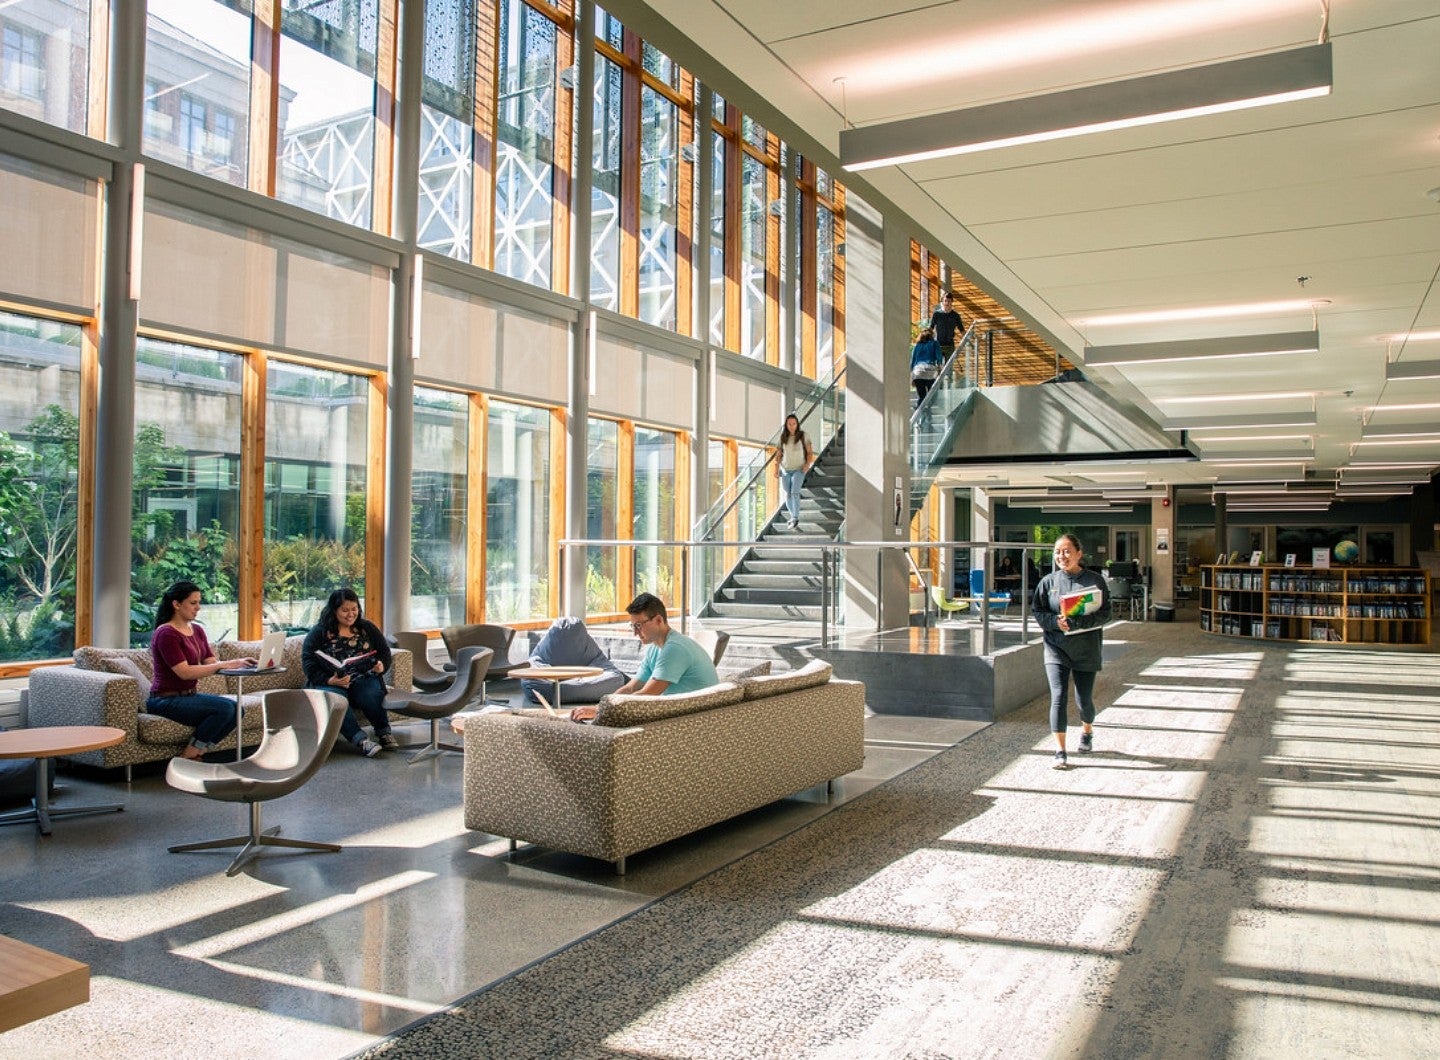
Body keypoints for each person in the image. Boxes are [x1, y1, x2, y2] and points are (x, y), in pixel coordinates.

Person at [569, 593, 719, 722]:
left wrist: (603, 712)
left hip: (693, 720)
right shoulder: (656, 648)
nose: (635, 632)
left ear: (659, 620)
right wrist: (599, 707)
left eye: (639, 625)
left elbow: (647, 695)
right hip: (678, 714)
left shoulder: (675, 648)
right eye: (633, 626)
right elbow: (631, 687)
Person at [147, 580, 254, 761]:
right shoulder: (166, 633)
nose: (198, 608)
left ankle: (197, 752)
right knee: (224, 709)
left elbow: (210, 661)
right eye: (193, 603)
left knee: (237, 709)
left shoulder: (196, 630)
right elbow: (184, 672)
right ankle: (189, 756)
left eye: (199, 603)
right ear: (176, 604)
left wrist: (240, 664)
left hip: (188, 696)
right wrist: (223, 665)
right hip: (164, 699)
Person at [1032, 534, 1110, 770]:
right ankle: (1060, 750)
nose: (1061, 556)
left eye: (1066, 551)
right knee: (1058, 696)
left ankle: (1087, 730)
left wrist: (1077, 624)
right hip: (1056, 648)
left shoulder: (1095, 581)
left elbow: (1106, 613)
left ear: (1079, 553)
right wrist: (1056, 622)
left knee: (1084, 700)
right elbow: (1038, 612)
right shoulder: (1047, 582)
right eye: (1057, 552)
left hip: (1086, 648)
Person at [301, 588, 395, 758]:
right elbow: (308, 663)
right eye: (345, 610)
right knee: (336, 701)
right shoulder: (319, 632)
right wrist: (330, 680)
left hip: (362, 678)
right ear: (334, 610)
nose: (350, 614)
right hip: (331, 682)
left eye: (354, 609)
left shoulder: (367, 628)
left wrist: (381, 666)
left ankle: (384, 732)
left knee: (371, 692)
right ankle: (361, 741)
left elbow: (384, 652)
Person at [774, 413, 813, 531]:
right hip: (786, 470)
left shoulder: (803, 436)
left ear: (797, 424)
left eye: (794, 424)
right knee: (787, 494)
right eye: (789, 424)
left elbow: (810, 452)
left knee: (795, 493)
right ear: (786, 425)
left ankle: (795, 517)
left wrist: (807, 465)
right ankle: (793, 516)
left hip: (799, 469)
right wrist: (776, 470)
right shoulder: (782, 437)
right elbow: (778, 455)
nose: (792, 426)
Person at [910, 326, 942, 403]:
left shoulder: (917, 346)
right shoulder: (935, 343)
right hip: (930, 370)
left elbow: (913, 361)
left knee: (922, 396)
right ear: (931, 335)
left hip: (918, 371)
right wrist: (940, 368)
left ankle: (921, 411)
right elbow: (939, 357)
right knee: (933, 395)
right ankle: (927, 410)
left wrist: (912, 377)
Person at [929, 291, 965, 359]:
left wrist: (967, 339)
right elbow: (931, 328)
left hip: (950, 345)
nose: (947, 303)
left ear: (952, 302)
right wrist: (927, 340)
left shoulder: (955, 315)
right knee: (938, 367)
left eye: (949, 301)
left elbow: (961, 329)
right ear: (942, 301)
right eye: (945, 301)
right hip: (938, 345)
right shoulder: (937, 314)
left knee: (949, 368)